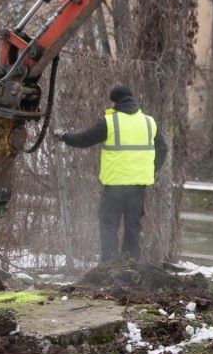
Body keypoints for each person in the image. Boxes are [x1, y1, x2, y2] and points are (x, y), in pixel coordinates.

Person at [59, 85, 167, 263]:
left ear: (114, 102)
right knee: (133, 225)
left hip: (115, 185)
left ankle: (109, 263)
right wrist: (151, 169)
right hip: (138, 185)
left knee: (108, 223)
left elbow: (84, 140)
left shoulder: (110, 122)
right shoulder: (149, 122)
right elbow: (163, 149)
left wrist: (64, 136)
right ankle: (131, 263)